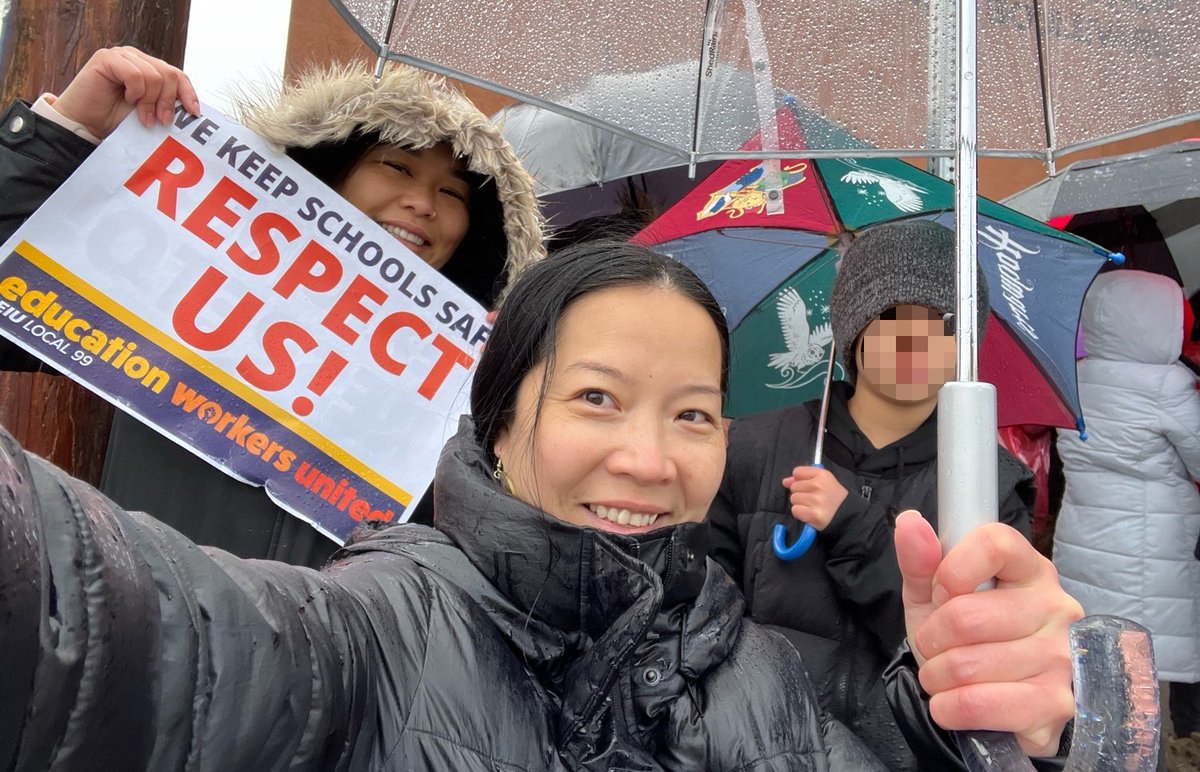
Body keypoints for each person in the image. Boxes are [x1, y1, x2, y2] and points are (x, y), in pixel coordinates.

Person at [0, 241, 1081, 769]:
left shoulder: (758, 682)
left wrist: (968, 732)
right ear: (501, 416)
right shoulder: (373, 629)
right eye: (597, 399)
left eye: (693, 414)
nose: (649, 459)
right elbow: (89, 619)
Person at [0, 46, 543, 566]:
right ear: (331, 175)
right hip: (134, 623)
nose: (423, 204)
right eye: (397, 167)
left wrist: (501, 389)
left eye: (453, 195)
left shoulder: (478, 381)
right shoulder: (187, 276)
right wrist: (63, 132)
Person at [708, 220, 1040, 770]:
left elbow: (968, 655)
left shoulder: (989, 485)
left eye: (942, 323)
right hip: (752, 745)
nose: (916, 341)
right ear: (853, 328)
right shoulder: (755, 443)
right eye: (891, 317)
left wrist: (854, 525)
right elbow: (702, 606)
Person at [1052, 270, 1200, 748]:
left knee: (1098, 665)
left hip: (1082, 536)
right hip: (1149, 550)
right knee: (1142, 692)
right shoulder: (1167, 386)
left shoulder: (1073, 373)